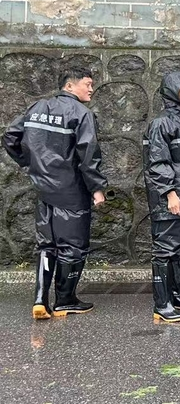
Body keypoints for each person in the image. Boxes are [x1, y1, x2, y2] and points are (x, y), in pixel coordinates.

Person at [3, 65, 107, 319]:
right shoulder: (81, 113)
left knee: (46, 245)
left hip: (44, 189)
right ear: (69, 86)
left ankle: (40, 299)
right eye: (87, 84)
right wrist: (97, 188)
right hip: (71, 191)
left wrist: (29, 164)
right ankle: (65, 299)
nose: (91, 89)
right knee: (73, 247)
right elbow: (88, 154)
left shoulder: (37, 107)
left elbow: (10, 137)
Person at [142, 71, 180, 324]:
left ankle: (176, 294)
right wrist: (170, 193)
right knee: (165, 250)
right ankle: (162, 303)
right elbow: (157, 163)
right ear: (171, 89)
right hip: (172, 199)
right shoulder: (161, 124)